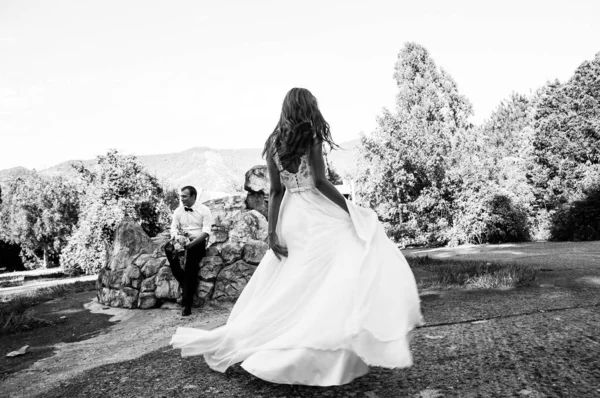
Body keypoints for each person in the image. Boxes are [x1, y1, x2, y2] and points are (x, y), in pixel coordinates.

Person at [170, 88, 423, 385]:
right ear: (307, 108)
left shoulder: (273, 144)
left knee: (296, 280)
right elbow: (319, 181)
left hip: (291, 215)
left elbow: (275, 192)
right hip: (315, 213)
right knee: (349, 256)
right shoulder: (312, 138)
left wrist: (272, 232)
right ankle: (325, 338)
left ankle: (301, 339)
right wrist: (350, 209)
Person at [164, 186, 213, 316]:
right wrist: (177, 237)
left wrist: (191, 244)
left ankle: (186, 305)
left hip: (198, 242)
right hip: (181, 240)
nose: (181, 199)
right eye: (181, 196)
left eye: (184, 196)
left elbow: (206, 232)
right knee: (168, 248)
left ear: (193, 196)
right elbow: (173, 228)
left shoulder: (204, 210)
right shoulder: (178, 211)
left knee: (191, 265)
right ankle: (183, 278)